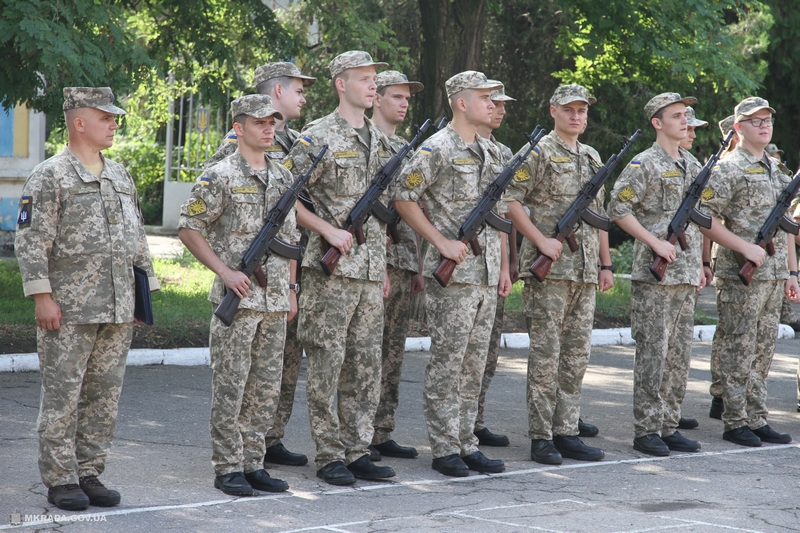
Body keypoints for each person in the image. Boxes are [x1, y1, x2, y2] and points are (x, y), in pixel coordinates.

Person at [14, 87, 159, 510]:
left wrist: (142, 295)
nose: (114, 124)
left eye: (114, 118)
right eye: (106, 118)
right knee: (63, 396)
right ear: (80, 123)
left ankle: (89, 472)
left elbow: (138, 237)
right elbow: (31, 240)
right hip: (71, 308)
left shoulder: (119, 173)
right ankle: (60, 479)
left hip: (116, 304)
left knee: (104, 395)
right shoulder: (50, 175)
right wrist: (42, 296)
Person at [285, 50, 396, 486]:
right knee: (328, 364)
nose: (373, 86)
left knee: (366, 366)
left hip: (369, 271)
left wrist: (383, 266)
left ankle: (357, 449)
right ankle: (329, 453)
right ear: (341, 84)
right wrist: (327, 230)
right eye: (365, 79)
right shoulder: (317, 136)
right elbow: (287, 198)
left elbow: (383, 213)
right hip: (329, 273)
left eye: (375, 79)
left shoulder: (380, 139)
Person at [394, 70, 511, 478]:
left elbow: (501, 217)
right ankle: (445, 448)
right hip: (454, 277)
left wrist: (505, 268)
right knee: (449, 363)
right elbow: (403, 197)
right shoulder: (436, 149)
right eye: (484, 98)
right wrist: (440, 243)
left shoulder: (493, 152)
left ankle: (466, 441)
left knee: (474, 365)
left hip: (485, 274)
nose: (493, 104)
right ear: (462, 103)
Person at [179, 94, 296, 496]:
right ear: (239, 127)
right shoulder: (220, 175)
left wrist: (293, 289)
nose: (269, 128)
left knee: (266, 386)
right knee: (232, 385)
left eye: (272, 122)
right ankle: (228, 467)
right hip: (239, 300)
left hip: (276, 299)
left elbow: (291, 240)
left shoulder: (283, 177)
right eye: (260, 122)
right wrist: (225, 272)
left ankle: (253, 462)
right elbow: (189, 228)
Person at [505, 84, 612, 465]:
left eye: (582, 110)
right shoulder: (537, 152)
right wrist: (540, 240)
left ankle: (567, 431)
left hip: (582, 274)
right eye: (569, 110)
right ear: (553, 111)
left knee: (575, 357)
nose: (576, 116)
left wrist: (605, 263)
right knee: (547, 357)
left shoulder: (592, 155)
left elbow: (600, 216)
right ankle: (541, 437)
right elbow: (510, 200)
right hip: (548, 273)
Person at [607, 93, 711, 457]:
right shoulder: (644, 164)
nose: (685, 121)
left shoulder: (693, 164)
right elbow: (617, 207)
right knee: (654, 352)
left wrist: (701, 262)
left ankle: (669, 425)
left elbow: (700, 220)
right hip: (655, 275)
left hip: (685, 274)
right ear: (657, 122)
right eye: (677, 116)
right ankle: (647, 430)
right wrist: (654, 242)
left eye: (685, 116)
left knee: (679, 355)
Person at [701, 96, 799, 447]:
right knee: (738, 346)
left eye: (767, 119)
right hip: (740, 273)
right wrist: (743, 247)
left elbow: (785, 222)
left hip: (772, 274)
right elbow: (704, 217)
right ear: (738, 127)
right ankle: (735, 420)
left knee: (763, 347)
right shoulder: (727, 168)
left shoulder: (774, 168)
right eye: (755, 120)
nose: (763, 125)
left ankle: (757, 417)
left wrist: (792, 271)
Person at [368, 70, 425, 461]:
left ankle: (381, 430)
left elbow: (412, 210)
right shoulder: (365, 144)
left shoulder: (406, 148)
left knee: (392, 353)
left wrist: (418, 262)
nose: (404, 104)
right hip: (372, 262)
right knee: (365, 353)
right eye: (397, 97)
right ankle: (356, 432)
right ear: (377, 98)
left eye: (407, 98)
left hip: (403, 262)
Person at [472, 81, 516, 448]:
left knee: (487, 353)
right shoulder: (447, 146)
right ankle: (460, 428)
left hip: (492, 263)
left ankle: (476, 418)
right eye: (492, 102)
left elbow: (505, 217)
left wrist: (507, 263)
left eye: (501, 104)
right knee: (462, 356)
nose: (499, 109)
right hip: (466, 266)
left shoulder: (502, 153)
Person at [206, 62, 316, 168]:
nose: (303, 100)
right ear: (279, 90)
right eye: (298, 92)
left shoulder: (297, 139)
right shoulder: (242, 138)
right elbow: (214, 178)